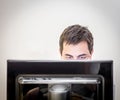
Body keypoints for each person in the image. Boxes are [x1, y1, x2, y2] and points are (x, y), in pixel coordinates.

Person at [23, 24, 94, 100]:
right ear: (61, 54)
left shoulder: (102, 90)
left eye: (82, 57)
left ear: (91, 53)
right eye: (69, 57)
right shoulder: (35, 95)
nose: (75, 64)